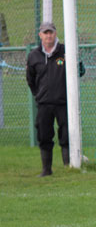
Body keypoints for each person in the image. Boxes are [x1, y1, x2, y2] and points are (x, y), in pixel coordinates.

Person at [26, 22, 85, 177]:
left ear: (55, 33)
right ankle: (46, 169)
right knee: (44, 135)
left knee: (66, 135)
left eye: (51, 32)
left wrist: (75, 61)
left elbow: (80, 71)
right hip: (44, 104)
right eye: (45, 33)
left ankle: (68, 167)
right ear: (40, 35)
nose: (48, 35)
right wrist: (39, 95)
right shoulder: (34, 56)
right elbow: (30, 79)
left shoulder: (66, 51)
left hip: (64, 103)